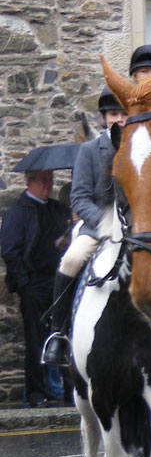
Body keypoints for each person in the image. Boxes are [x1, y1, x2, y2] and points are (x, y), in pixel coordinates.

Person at [39, 89, 126, 369]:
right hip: (96, 227)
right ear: (104, 119)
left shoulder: (139, 148)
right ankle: (58, 333)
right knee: (72, 258)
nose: (120, 120)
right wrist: (104, 225)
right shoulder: (89, 151)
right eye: (114, 114)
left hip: (135, 228)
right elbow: (79, 198)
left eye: (124, 114)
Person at [1, 170, 70, 407]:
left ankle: (71, 392)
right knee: (35, 340)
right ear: (29, 182)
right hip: (34, 285)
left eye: (51, 181)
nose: (49, 186)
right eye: (44, 181)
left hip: (60, 281)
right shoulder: (18, 213)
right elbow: (10, 250)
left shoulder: (57, 210)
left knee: (65, 336)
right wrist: (24, 284)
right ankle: (36, 393)